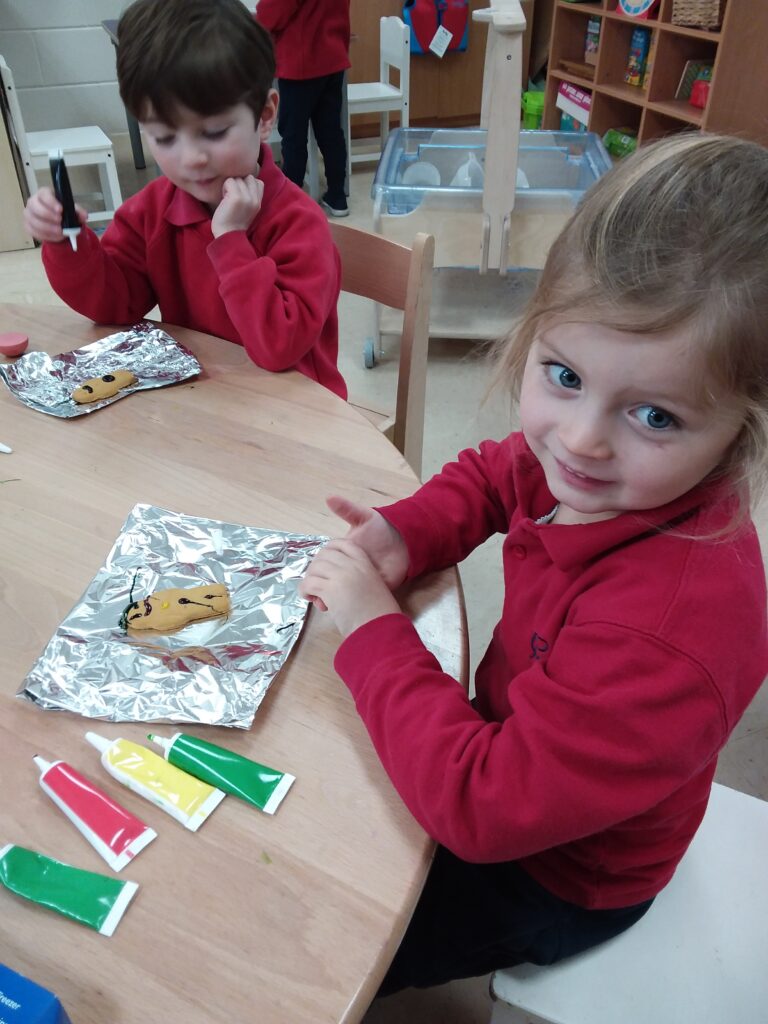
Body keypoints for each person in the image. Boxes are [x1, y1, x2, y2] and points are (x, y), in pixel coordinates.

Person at [299, 133, 768, 994]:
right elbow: (499, 471)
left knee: (318, 946)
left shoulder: (670, 633)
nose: (581, 441)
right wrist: (407, 536)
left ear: (743, 424)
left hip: (558, 878)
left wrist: (373, 625)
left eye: (655, 417)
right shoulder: (604, 476)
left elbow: (480, 806)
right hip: (517, 763)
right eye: (561, 374)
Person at [23, 0, 347, 400]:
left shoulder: (300, 223)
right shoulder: (151, 211)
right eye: (164, 137)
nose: (192, 158)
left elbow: (278, 348)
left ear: (264, 116)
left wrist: (230, 240)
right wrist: (66, 243)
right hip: (206, 404)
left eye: (213, 132)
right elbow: (115, 305)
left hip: (302, 417)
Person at [255, 0, 350, 218]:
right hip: (333, 56)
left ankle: (292, 199)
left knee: (293, 136)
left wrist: (255, 23)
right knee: (331, 132)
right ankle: (337, 196)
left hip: (301, 60)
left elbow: (273, 11)